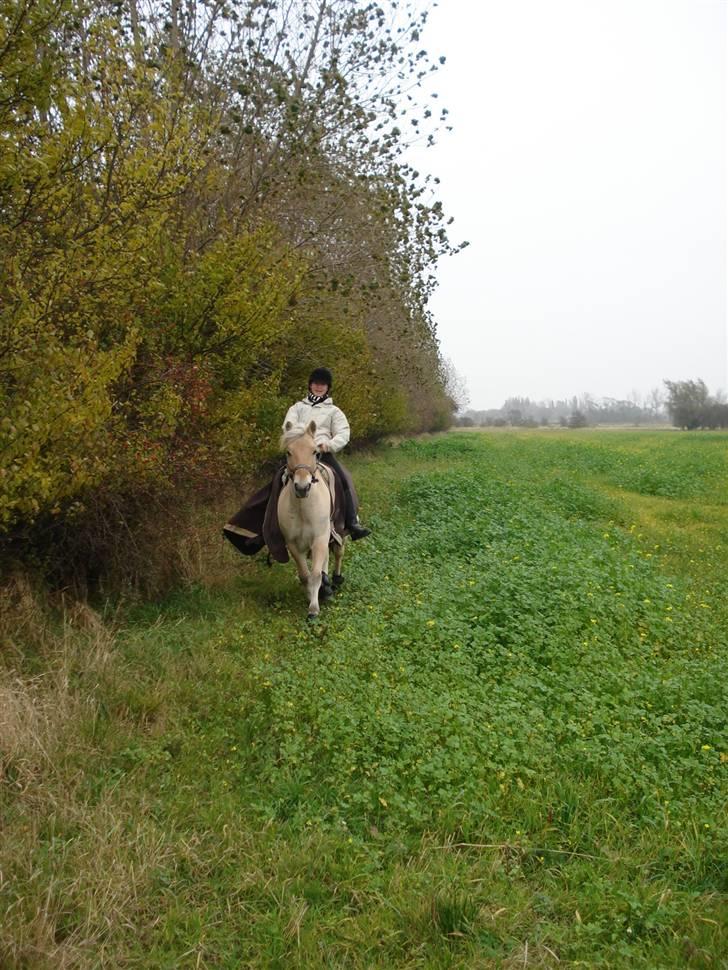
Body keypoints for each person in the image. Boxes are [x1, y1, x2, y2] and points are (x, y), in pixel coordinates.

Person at [284, 367, 371, 540]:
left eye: (323, 384)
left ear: (328, 387)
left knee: (343, 479)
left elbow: (343, 433)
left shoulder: (334, 411)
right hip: (299, 455)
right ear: (310, 385)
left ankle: (352, 522)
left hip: (322, 453)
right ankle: (266, 528)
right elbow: (288, 427)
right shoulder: (297, 408)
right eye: (316, 383)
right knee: (276, 482)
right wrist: (300, 443)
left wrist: (328, 445)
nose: (319, 387)